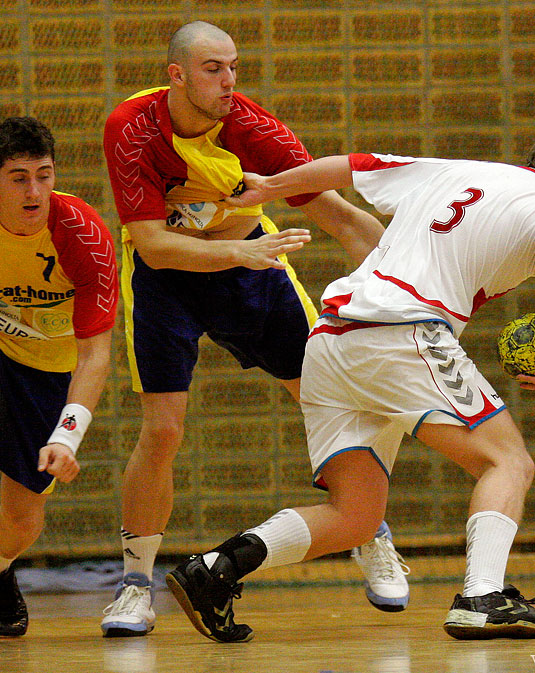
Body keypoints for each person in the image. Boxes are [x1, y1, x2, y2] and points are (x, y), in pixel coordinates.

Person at [165, 118, 535, 642]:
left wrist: (270, 187)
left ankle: (216, 568)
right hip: (401, 332)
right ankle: (482, 597)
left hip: (333, 340)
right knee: (507, 461)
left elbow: (350, 167)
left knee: (355, 515)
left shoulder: (460, 171)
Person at [100, 20, 408, 638]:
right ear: (177, 75)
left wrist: (415, 289)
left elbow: (340, 217)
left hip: (253, 271)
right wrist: (236, 255)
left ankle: (369, 529)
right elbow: (155, 247)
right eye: (213, 69)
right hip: (172, 279)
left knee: (329, 402)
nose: (229, 81)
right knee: (162, 429)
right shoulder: (130, 129)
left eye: (233, 67)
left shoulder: (254, 128)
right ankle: (134, 585)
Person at [0, 116, 117, 636]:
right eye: (19, 177)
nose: (34, 191)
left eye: (44, 175)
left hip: (45, 371)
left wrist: (67, 437)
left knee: (20, 524)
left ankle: (2, 570)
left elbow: (95, 354)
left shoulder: (81, 235)